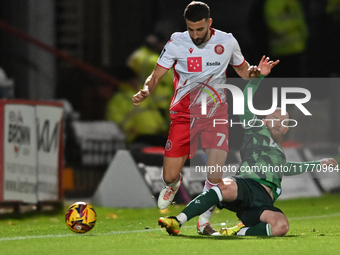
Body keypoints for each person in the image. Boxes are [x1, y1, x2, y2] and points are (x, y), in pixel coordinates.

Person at [157, 56, 338, 236]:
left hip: (263, 201)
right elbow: (244, 104)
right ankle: (177, 221)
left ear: (287, 128)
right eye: (274, 119)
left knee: (281, 227)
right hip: (247, 185)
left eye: (282, 122)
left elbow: (287, 168)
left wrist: (317, 163)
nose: (277, 123)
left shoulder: (279, 153)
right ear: (264, 120)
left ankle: (239, 232)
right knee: (224, 185)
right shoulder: (256, 130)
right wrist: (258, 79)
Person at [132, 1, 263, 235]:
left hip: (216, 115)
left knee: (215, 175)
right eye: (191, 29)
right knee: (169, 174)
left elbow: (243, 71)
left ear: (209, 23)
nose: (195, 35)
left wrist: (255, 73)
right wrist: (146, 90)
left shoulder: (227, 41)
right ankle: (173, 184)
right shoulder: (176, 42)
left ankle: (204, 223)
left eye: (200, 29)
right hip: (184, 117)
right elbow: (156, 74)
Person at [106, 65, 168, 145]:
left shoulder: (145, 94)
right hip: (138, 138)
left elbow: (154, 112)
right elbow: (115, 117)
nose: (135, 82)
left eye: (136, 79)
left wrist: (162, 127)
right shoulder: (119, 99)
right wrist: (129, 128)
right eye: (132, 80)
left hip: (156, 134)